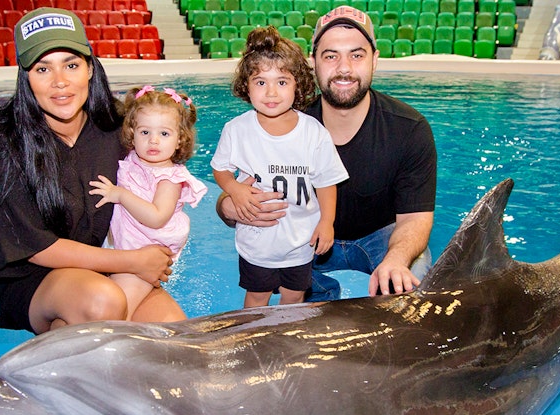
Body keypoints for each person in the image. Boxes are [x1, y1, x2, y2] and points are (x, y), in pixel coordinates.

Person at [0, 8, 174, 334]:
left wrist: (231, 199)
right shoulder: (7, 141)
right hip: (36, 278)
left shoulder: (117, 127)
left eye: (71, 65)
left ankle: (60, 340)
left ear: (90, 69)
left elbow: (165, 172)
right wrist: (134, 262)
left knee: (172, 334)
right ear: (26, 78)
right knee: (101, 301)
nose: (60, 82)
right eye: (43, 69)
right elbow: (38, 248)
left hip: (103, 265)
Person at [217, 6, 436, 302]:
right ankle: (319, 291)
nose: (344, 68)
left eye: (356, 55)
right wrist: (234, 208)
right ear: (313, 63)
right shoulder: (282, 119)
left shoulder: (409, 129)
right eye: (331, 56)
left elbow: (415, 218)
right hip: (305, 241)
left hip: (379, 239)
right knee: (278, 288)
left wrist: (396, 260)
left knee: (412, 285)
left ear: (375, 61)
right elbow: (233, 188)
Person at [211, 27, 349, 308]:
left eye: (282, 82)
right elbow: (220, 169)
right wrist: (234, 189)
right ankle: (250, 337)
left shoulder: (313, 132)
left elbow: (326, 181)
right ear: (245, 85)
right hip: (257, 242)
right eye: (260, 82)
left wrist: (326, 222)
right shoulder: (237, 130)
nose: (271, 92)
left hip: (299, 242)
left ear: (297, 84)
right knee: (257, 296)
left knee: (294, 295)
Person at [89, 85, 207, 322]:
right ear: (132, 133)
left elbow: (156, 217)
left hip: (145, 253)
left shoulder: (169, 179)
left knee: (117, 315)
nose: (153, 141)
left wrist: (120, 195)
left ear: (179, 139)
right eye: (145, 132)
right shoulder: (133, 159)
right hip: (125, 250)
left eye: (164, 134)